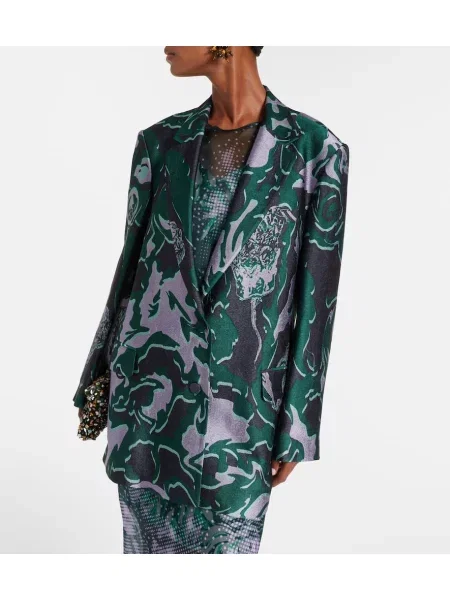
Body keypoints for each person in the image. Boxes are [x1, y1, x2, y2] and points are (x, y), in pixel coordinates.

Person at [73, 46, 350, 554]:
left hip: (242, 412)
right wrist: (98, 377)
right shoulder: (160, 142)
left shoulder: (315, 151)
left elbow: (318, 298)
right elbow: (129, 270)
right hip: (147, 400)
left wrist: (298, 423)